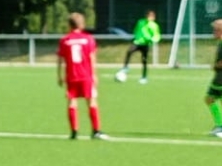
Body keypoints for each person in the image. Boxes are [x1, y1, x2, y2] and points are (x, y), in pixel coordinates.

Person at [57, 11, 105, 140]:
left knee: (72, 102)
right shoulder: (88, 39)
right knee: (92, 101)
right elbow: (92, 57)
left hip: (71, 76)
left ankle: (74, 131)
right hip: (86, 75)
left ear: (69, 25)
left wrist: (59, 75)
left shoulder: (65, 40)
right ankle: (96, 130)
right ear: (82, 24)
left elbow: (61, 59)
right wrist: (94, 75)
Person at [116, 10, 160, 84]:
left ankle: (144, 77)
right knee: (129, 51)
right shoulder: (140, 22)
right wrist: (136, 37)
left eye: (151, 16)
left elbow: (156, 35)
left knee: (144, 61)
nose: (149, 18)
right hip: (138, 42)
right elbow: (136, 30)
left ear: (154, 17)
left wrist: (152, 39)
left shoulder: (154, 26)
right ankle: (126, 67)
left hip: (145, 44)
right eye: (148, 16)